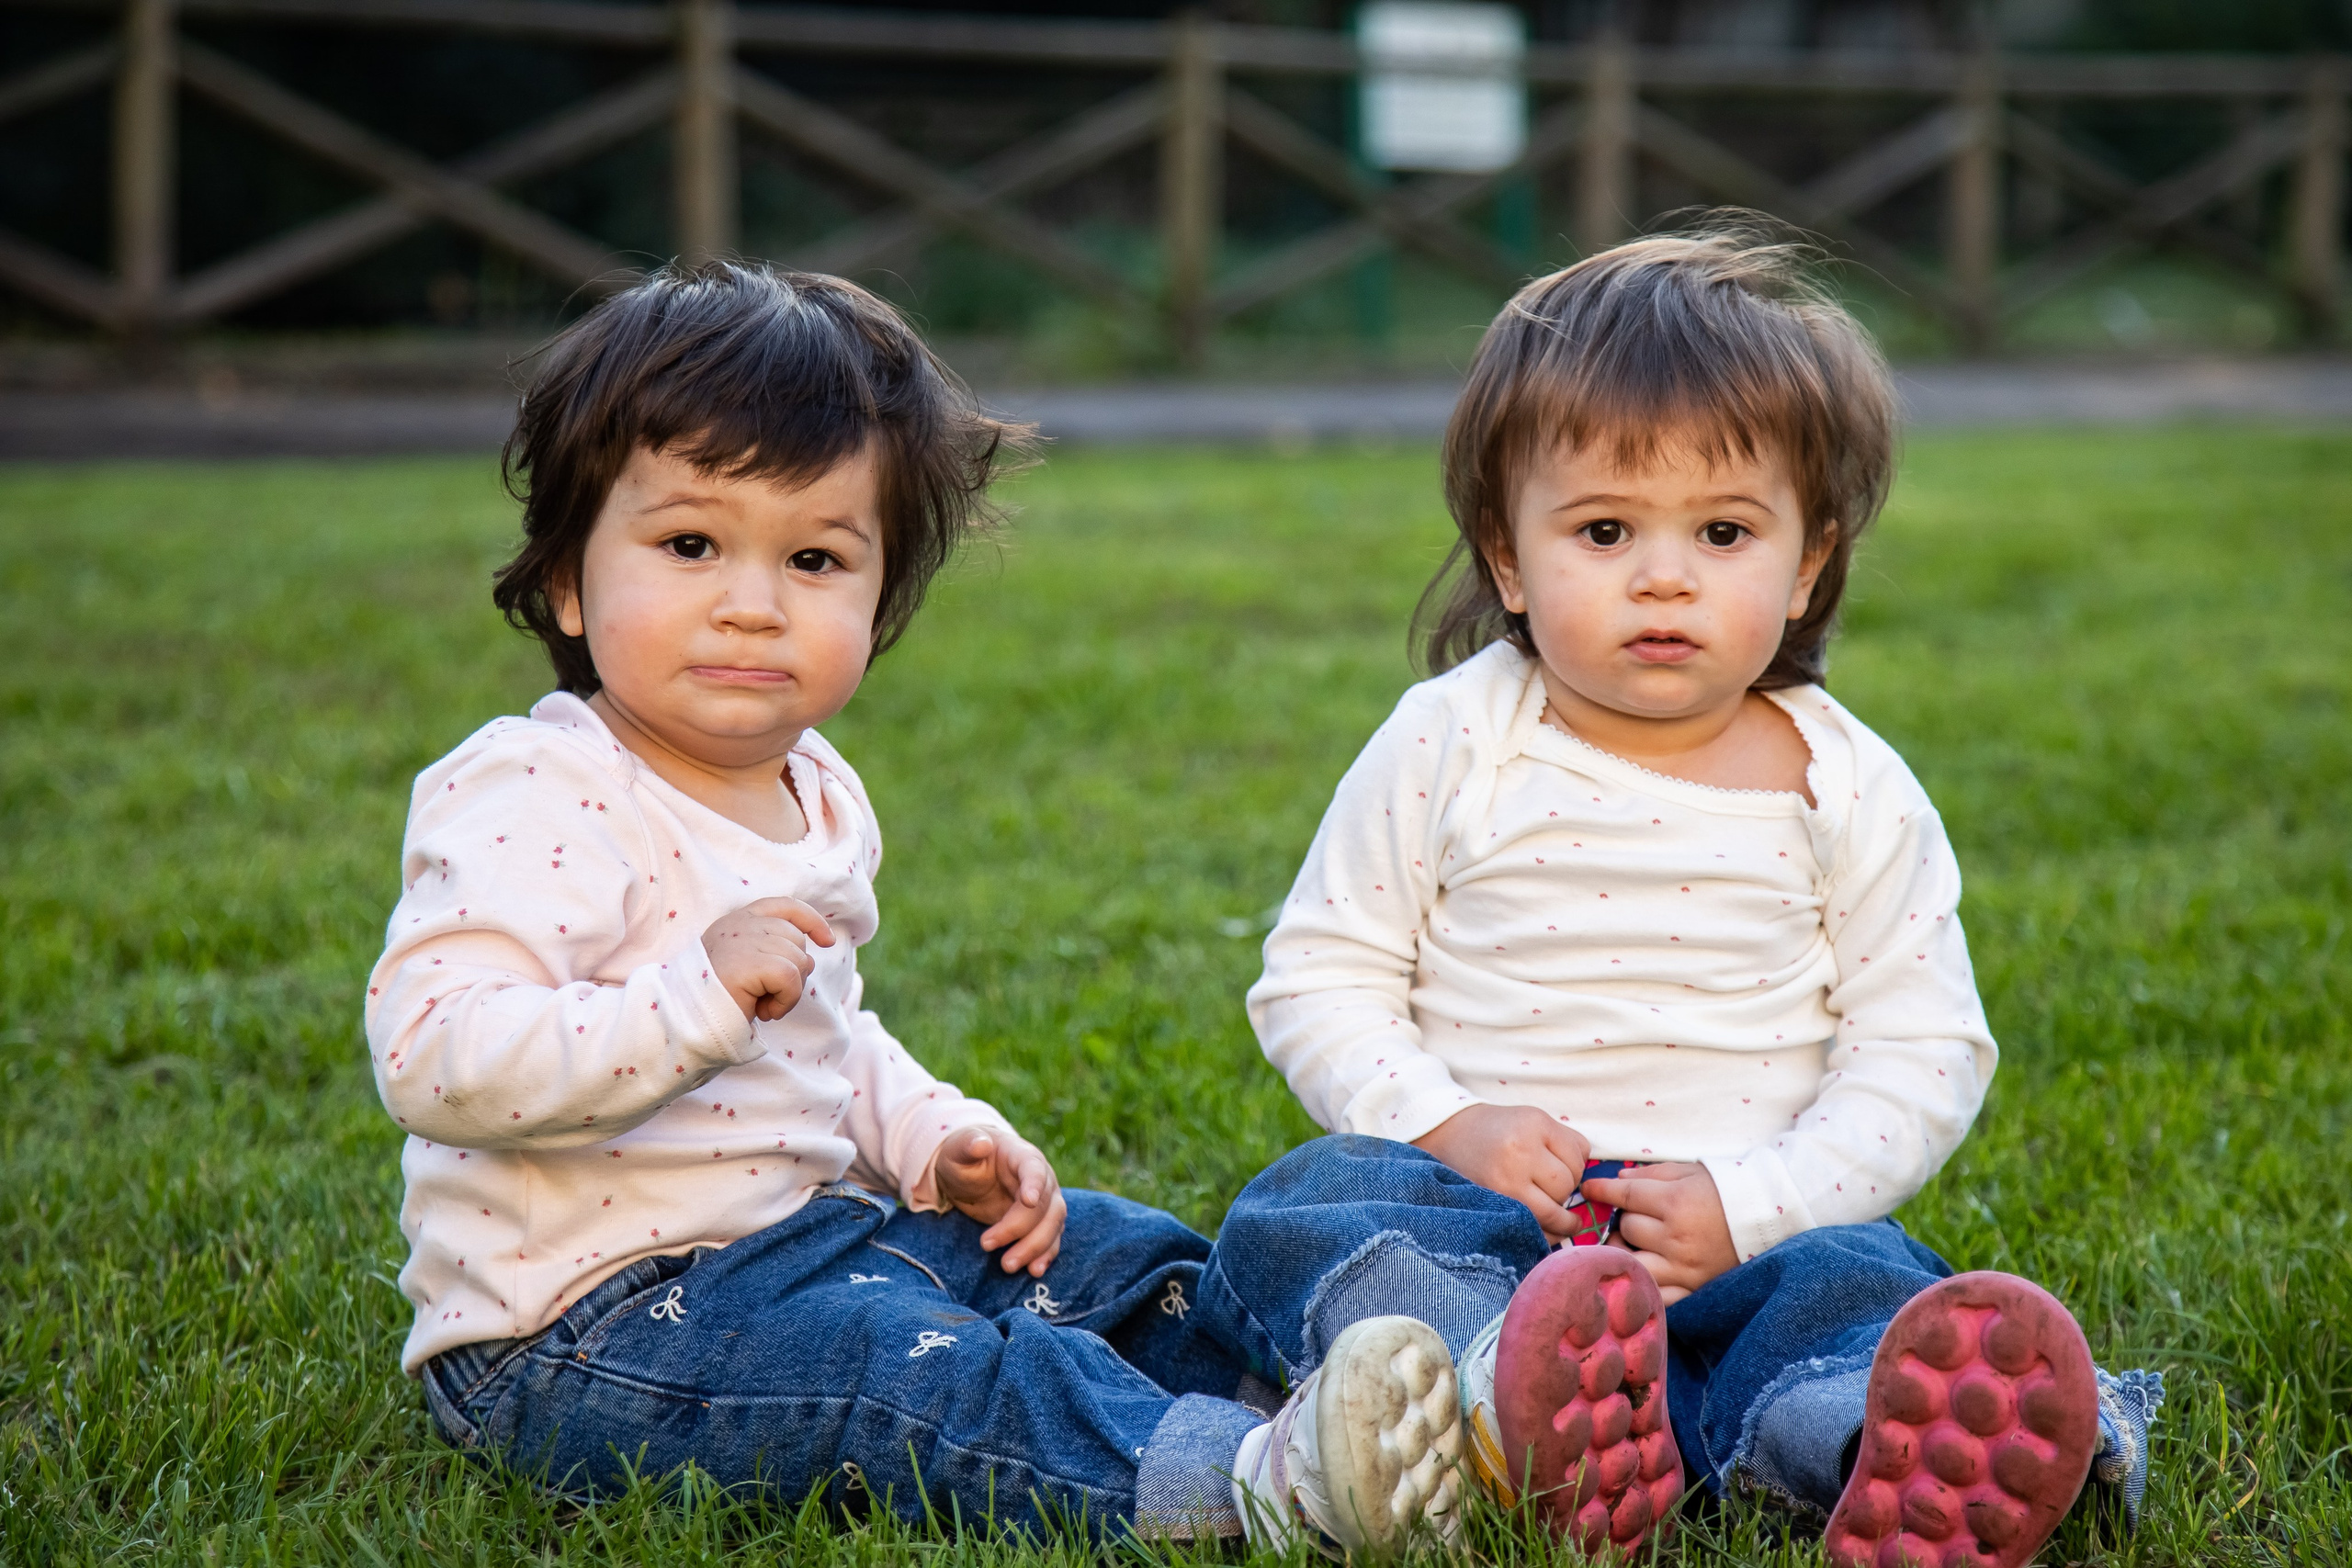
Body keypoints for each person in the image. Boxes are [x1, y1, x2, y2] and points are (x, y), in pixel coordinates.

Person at [364, 261, 1469, 1556]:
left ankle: (1371, 1408)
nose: (752, 604)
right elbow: (435, 1056)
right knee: (915, 1373)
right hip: (584, 1331)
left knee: (1111, 1259)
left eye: (814, 559)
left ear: (877, 601)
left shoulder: (813, 792)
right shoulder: (539, 787)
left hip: (816, 1243)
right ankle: (1254, 1484)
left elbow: (825, 1039)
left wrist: (931, 1136)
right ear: (566, 579)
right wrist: (692, 997)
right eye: (689, 546)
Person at [1244, 223, 2163, 1568]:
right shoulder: (1452, 737)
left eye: (1724, 532)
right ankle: (1497, 1400)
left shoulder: (1848, 786)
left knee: (1854, 1283)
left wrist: (1759, 1203)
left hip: (1748, 1241)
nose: (1663, 575)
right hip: (1494, 1229)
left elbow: (1923, 1050)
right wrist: (1449, 1126)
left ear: (1807, 565)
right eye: (1604, 530)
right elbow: (1321, 977)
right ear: (1509, 557)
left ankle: (1856, 1448)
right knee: (1315, 1202)